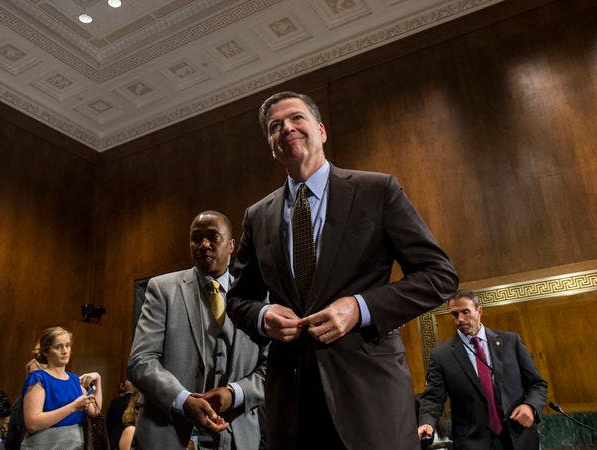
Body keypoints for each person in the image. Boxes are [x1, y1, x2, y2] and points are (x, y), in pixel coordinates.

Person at [226, 91, 458, 449]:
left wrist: (359, 308)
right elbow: (238, 299)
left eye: (296, 118)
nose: (286, 128)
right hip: (291, 405)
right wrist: (263, 315)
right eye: (275, 126)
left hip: (370, 400)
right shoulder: (257, 217)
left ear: (321, 131)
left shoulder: (377, 190)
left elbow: (439, 275)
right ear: (272, 146)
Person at [127, 210, 267, 450]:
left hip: (237, 438)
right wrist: (183, 401)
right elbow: (140, 361)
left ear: (231, 245)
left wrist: (235, 393)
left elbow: (271, 368)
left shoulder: (258, 297)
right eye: (196, 238)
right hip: (167, 434)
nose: (203, 244)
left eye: (213, 237)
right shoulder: (162, 289)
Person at [417, 290, 547, 450]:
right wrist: (427, 422)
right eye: (455, 314)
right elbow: (432, 398)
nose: (460, 319)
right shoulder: (441, 355)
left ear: (479, 311)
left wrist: (530, 406)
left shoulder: (510, 342)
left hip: (518, 437)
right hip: (472, 442)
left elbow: (537, 384)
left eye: (465, 312)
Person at [20, 326, 103, 449]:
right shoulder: (40, 378)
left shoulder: (75, 380)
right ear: (45, 351)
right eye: (58, 347)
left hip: (75, 444)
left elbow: (94, 411)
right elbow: (32, 423)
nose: (65, 351)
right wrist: (73, 407)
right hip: (45, 444)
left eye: (67, 345)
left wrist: (98, 380)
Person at [5, 359, 43, 450]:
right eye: (30, 375)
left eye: (38, 374)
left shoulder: (56, 400)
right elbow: (12, 436)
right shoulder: (19, 402)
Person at [106, 379, 137, 450]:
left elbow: (108, 424)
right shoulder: (138, 403)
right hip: (133, 439)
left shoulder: (115, 402)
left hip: (115, 438)